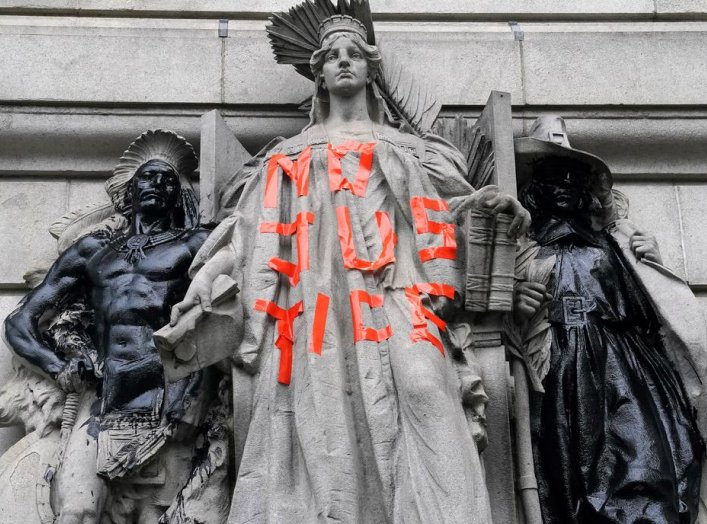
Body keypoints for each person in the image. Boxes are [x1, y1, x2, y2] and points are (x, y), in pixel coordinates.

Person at [171, 14, 529, 523]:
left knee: (426, 386)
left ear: (370, 70)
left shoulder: (410, 150)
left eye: (354, 53)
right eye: (333, 55)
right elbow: (248, 232)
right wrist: (206, 282)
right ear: (319, 74)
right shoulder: (287, 157)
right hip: (312, 306)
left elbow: (448, 213)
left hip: (397, 293)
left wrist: (487, 209)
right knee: (319, 417)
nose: (343, 61)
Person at [3, 130, 219, 523]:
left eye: (168, 179)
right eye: (147, 177)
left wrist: (195, 393)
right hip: (103, 396)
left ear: (179, 194)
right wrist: (59, 366)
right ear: (128, 190)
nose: (157, 185)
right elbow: (20, 321)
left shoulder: (196, 244)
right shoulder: (93, 252)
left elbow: (226, 302)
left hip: (168, 396)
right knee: (76, 510)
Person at [514, 116, 705, 523]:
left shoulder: (615, 243)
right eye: (555, 174)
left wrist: (652, 265)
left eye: (575, 176)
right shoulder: (524, 251)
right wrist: (516, 303)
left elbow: (657, 314)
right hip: (561, 366)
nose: (566, 183)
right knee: (573, 481)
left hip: (626, 364)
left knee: (646, 464)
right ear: (536, 185)